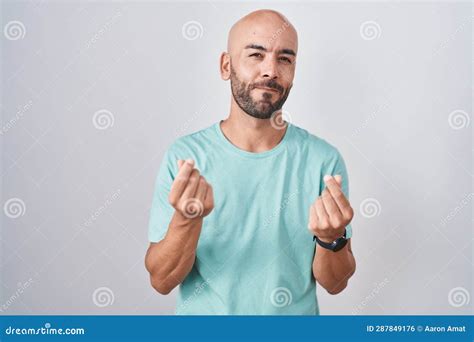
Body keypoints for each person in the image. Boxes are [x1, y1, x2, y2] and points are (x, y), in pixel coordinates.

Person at [145, 9, 356, 315]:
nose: (270, 70)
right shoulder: (185, 159)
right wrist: (187, 220)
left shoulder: (324, 161)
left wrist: (330, 239)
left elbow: (335, 284)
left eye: (285, 58)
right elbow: (161, 280)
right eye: (256, 55)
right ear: (226, 65)